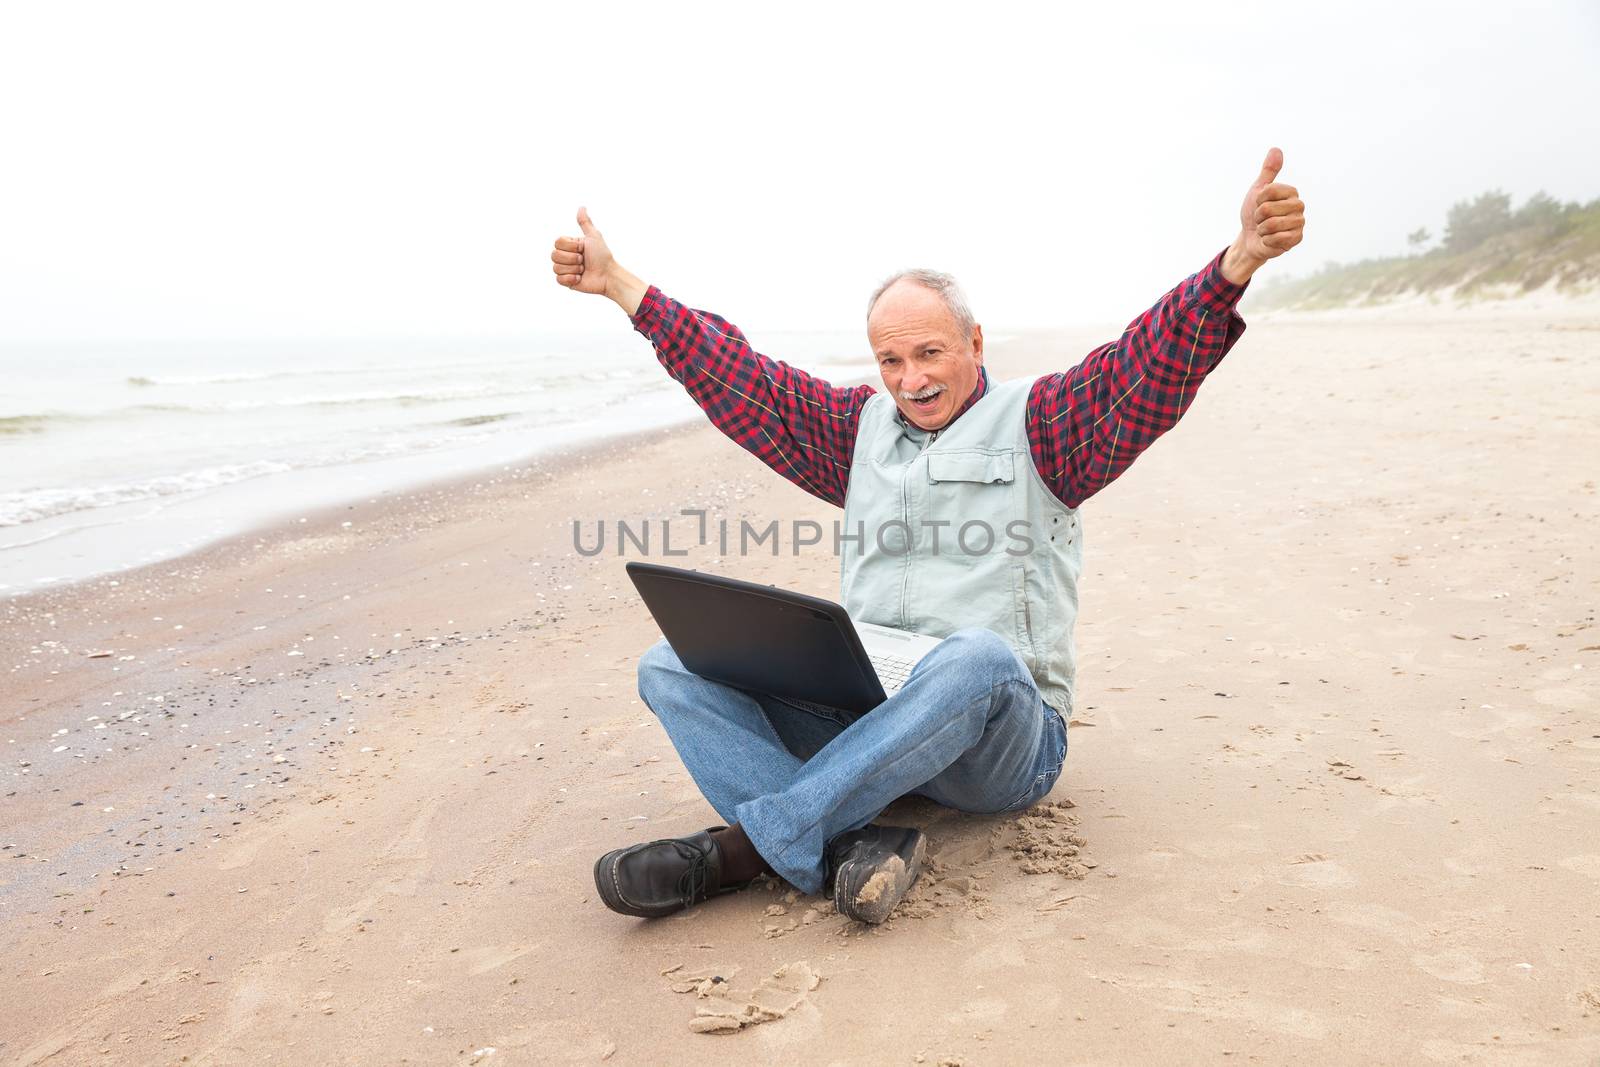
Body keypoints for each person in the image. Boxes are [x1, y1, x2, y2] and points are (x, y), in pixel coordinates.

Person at [551, 149, 1305, 924]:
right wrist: (620, 287)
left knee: (978, 655)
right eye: (891, 359)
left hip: (1001, 743)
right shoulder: (854, 433)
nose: (911, 378)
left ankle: (745, 850)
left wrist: (1237, 262)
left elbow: (1144, 366)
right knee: (670, 664)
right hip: (872, 717)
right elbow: (740, 374)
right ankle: (853, 841)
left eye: (929, 352)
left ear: (975, 343)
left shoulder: (1043, 425)